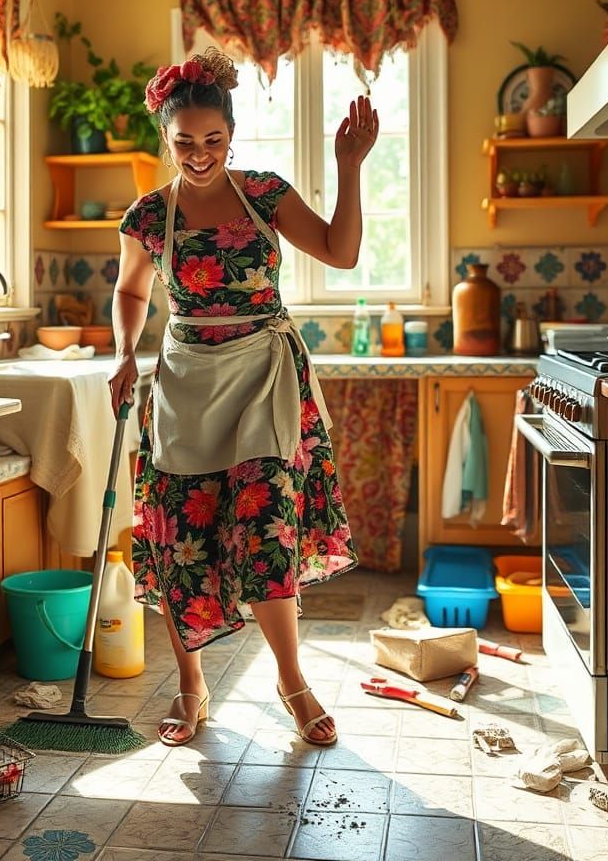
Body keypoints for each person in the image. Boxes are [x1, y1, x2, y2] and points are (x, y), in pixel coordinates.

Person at [108, 47, 379, 748]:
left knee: (265, 529)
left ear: (232, 134)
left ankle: (293, 682)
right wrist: (124, 354)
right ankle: (191, 686)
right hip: (185, 383)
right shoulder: (147, 216)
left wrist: (350, 167)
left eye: (213, 141)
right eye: (185, 143)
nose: (200, 155)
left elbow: (341, 252)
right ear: (165, 140)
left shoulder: (264, 193)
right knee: (180, 539)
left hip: (263, 376)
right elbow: (132, 290)